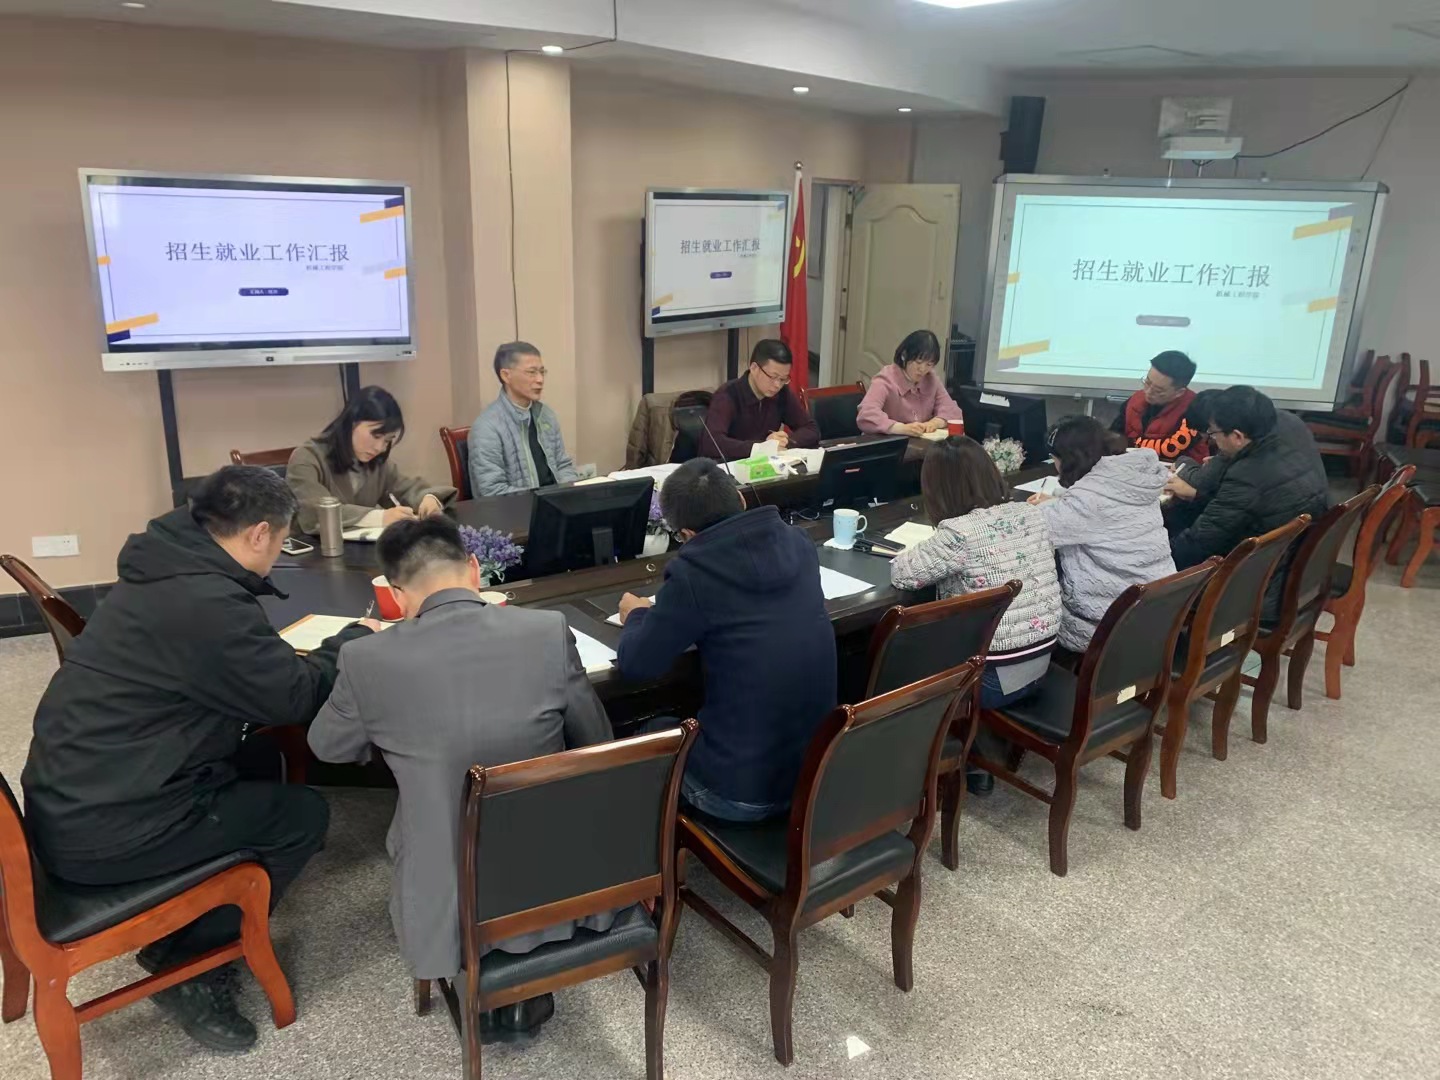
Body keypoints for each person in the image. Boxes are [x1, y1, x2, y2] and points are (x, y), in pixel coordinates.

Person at [21, 466, 378, 1051]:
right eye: (281, 540)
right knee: (302, 815)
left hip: (76, 795)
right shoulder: (206, 603)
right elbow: (293, 696)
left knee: (262, 755)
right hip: (110, 831)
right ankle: (188, 961)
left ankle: (195, 919)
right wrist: (354, 639)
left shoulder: (164, 569)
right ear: (259, 533)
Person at [308, 516, 612, 1043]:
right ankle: (522, 972)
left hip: (447, 885)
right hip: (551, 865)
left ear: (397, 594)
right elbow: (596, 739)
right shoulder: (545, 630)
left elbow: (327, 747)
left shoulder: (365, 658)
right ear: (474, 569)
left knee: (423, 813)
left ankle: (475, 970)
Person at [614, 458, 836, 821]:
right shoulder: (798, 542)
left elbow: (637, 664)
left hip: (740, 795)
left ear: (687, 534)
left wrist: (638, 614)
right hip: (814, 775)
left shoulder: (694, 573)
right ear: (741, 499)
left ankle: (649, 852)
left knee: (643, 734)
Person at [890, 436, 1061, 710]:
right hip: (1041, 665)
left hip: (990, 682)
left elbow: (902, 573)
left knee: (896, 651)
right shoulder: (1031, 514)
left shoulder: (960, 533)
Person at [1169, 385, 1330, 618]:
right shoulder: (1288, 434)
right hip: (1300, 567)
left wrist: (1152, 560)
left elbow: (1201, 541)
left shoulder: (1248, 474)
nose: (1213, 442)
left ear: (1237, 436)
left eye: (1213, 434)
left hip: (1262, 589)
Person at [1029, 416, 1175, 652]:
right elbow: (1099, 511)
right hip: (1158, 611)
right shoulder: (1133, 484)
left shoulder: (1086, 502)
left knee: (1027, 610)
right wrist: (1062, 500)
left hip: (1107, 627)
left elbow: (1032, 529)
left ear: (1068, 460)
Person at [287, 385, 455, 534]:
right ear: (351, 423)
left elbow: (407, 488)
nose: (379, 448)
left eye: (387, 441)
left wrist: (428, 499)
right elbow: (315, 513)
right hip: (311, 554)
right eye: (376, 435)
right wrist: (380, 517)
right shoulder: (307, 458)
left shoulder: (377, 462)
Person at [1166, 388, 1328, 504]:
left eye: (1211, 434)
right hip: (1313, 511)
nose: (1212, 440)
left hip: (1272, 531)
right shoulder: (1286, 419)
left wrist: (1183, 463)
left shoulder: (1236, 440)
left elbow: (1203, 483)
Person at [469, 341, 580, 495]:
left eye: (542, 372)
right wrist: (541, 500)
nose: (540, 379)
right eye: (531, 372)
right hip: (518, 507)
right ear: (506, 375)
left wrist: (569, 493)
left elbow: (562, 465)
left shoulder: (545, 414)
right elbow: (492, 491)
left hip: (555, 502)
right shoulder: (487, 427)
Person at [700, 339, 820, 461]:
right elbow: (711, 444)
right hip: (732, 466)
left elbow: (811, 429)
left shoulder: (782, 393)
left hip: (766, 465)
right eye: (773, 377)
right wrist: (760, 448)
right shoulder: (727, 395)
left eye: (783, 379)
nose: (777, 385)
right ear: (754, 368)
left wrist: (785, 441)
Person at [857, 329, 964, 436]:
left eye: (929, 364)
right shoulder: (886, 378)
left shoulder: (931, 378)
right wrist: (900, 428)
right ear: (904, 355)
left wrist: (934, 423)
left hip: (919, 443)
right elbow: (866, 414)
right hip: (888, 442)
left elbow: (952, 410)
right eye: (918, 362)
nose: (922, 369)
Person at [1110, 350, 1206, 463]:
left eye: (1158, 390)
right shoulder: (1135, 400)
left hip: (1177, 469)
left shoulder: (1196, 410)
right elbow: (1113, 435)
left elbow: (1171, 450)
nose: (1148, 392)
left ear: (1179, 392)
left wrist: (1131, 445)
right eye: (1147, 382)